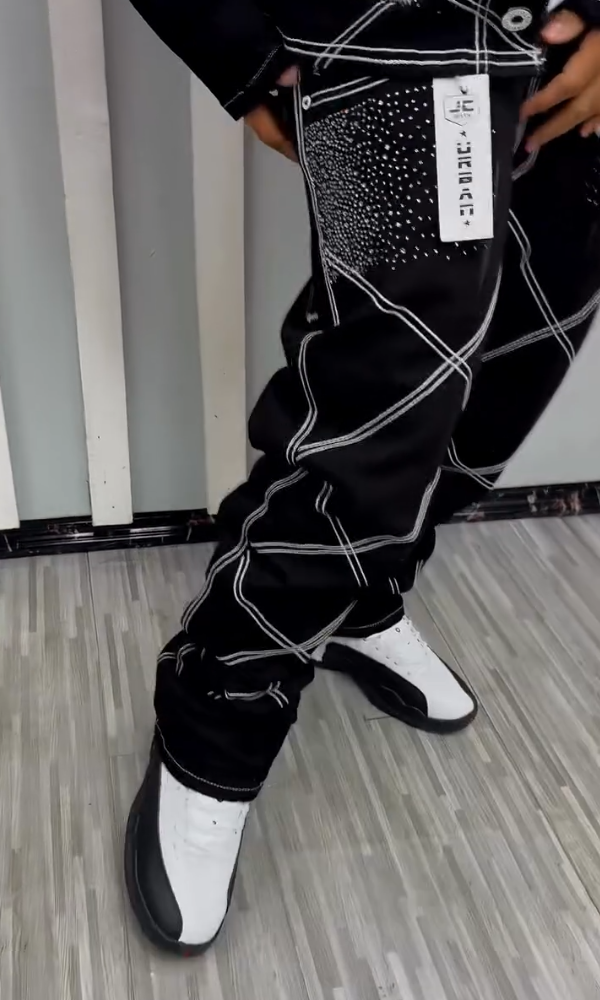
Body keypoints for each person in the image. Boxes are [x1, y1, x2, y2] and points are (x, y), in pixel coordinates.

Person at [123, 0, 600, 956]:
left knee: (504, 384)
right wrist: (242, 52)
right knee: (380, 401)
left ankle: (361, 600)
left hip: (561, 40)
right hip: (394, 32)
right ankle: (218, 709)